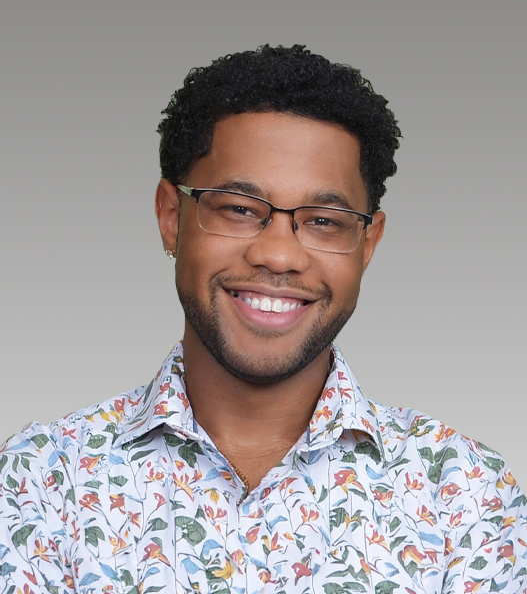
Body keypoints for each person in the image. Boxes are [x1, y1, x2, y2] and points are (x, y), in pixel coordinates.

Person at [0, 44, 525, 594]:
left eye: (324, 220)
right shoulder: (41, 483)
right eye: (240, 209)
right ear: (171, 217)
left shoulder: (467, 497)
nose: (278, 255)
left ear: (368, 244)